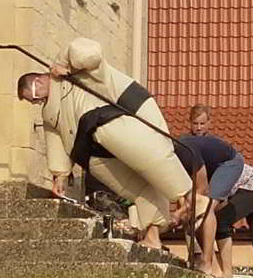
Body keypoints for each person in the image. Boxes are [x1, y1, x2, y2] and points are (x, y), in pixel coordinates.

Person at [16, 37, 210, 251]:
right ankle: (153, 236)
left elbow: (89, 52)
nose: (35, 102)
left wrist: (65, 63)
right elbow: (55, 142)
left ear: (39, 82)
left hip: (114, 120)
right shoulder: (50, 114)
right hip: (92, 151)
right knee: (136, 188)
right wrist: (60, 175)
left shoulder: (79, 75)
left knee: (144, 155)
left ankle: (191, 197)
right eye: (31, 101)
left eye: (33, 96)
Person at [173, 135, 245, 276]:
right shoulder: (171, 161)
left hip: (229, 163)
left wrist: (179, 213)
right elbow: (182, 193)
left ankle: (207, 261)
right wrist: (184, 212)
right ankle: (215, 270)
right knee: (194, 216)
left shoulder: (185, 152)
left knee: (207, 206)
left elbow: (202, 188)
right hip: (211, 168)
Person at [215, 164, 253, 278]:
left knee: (221, 222)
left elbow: (218, 202)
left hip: (251, 186)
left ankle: (227, 274)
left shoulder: (206, 169)